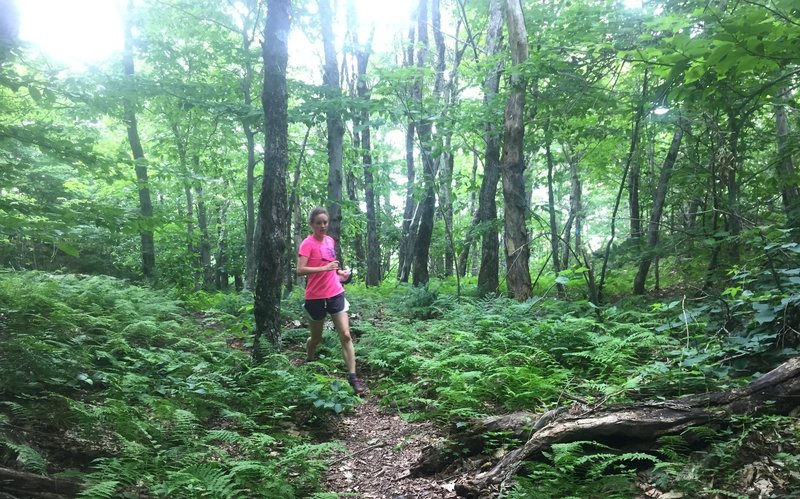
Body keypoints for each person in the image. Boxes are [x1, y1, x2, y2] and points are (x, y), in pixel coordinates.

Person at [296, 206, 367, 395]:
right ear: (311, 224)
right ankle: (310, 357)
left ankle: (353, 377)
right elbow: (300, 270)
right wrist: (325, 269)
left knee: (345, 335)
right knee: (316, 338)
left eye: (325, 222)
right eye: (318, 223)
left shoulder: (330, 241)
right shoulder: (307, 244)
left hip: (335, 292)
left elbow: (331, 268)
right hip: (315, 296)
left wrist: (339, 273)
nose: (322, 226)